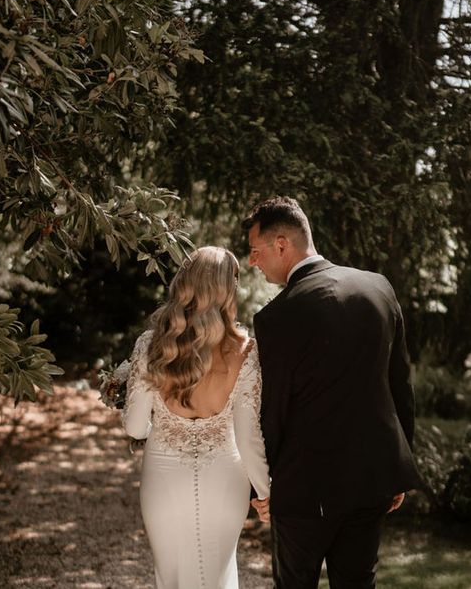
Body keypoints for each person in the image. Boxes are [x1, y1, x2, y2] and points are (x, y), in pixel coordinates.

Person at [242, 196, 423, 589]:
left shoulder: (277, 317)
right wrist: (397, 467)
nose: (253, 262)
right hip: (370, 480)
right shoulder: (378, 288)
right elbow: (399, 385)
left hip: (304, 489)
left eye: (256, 252)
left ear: (281, 245)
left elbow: (272, 409)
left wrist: (263, 485)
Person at [122, 246, 270, 589]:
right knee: (215, 574)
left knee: (170, 578)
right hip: (225, 481)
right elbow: (248, 438)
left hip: (163, 481)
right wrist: (266, 492)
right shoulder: (246, 350)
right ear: (227, 291)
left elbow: (135, 426)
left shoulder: (151, 345)